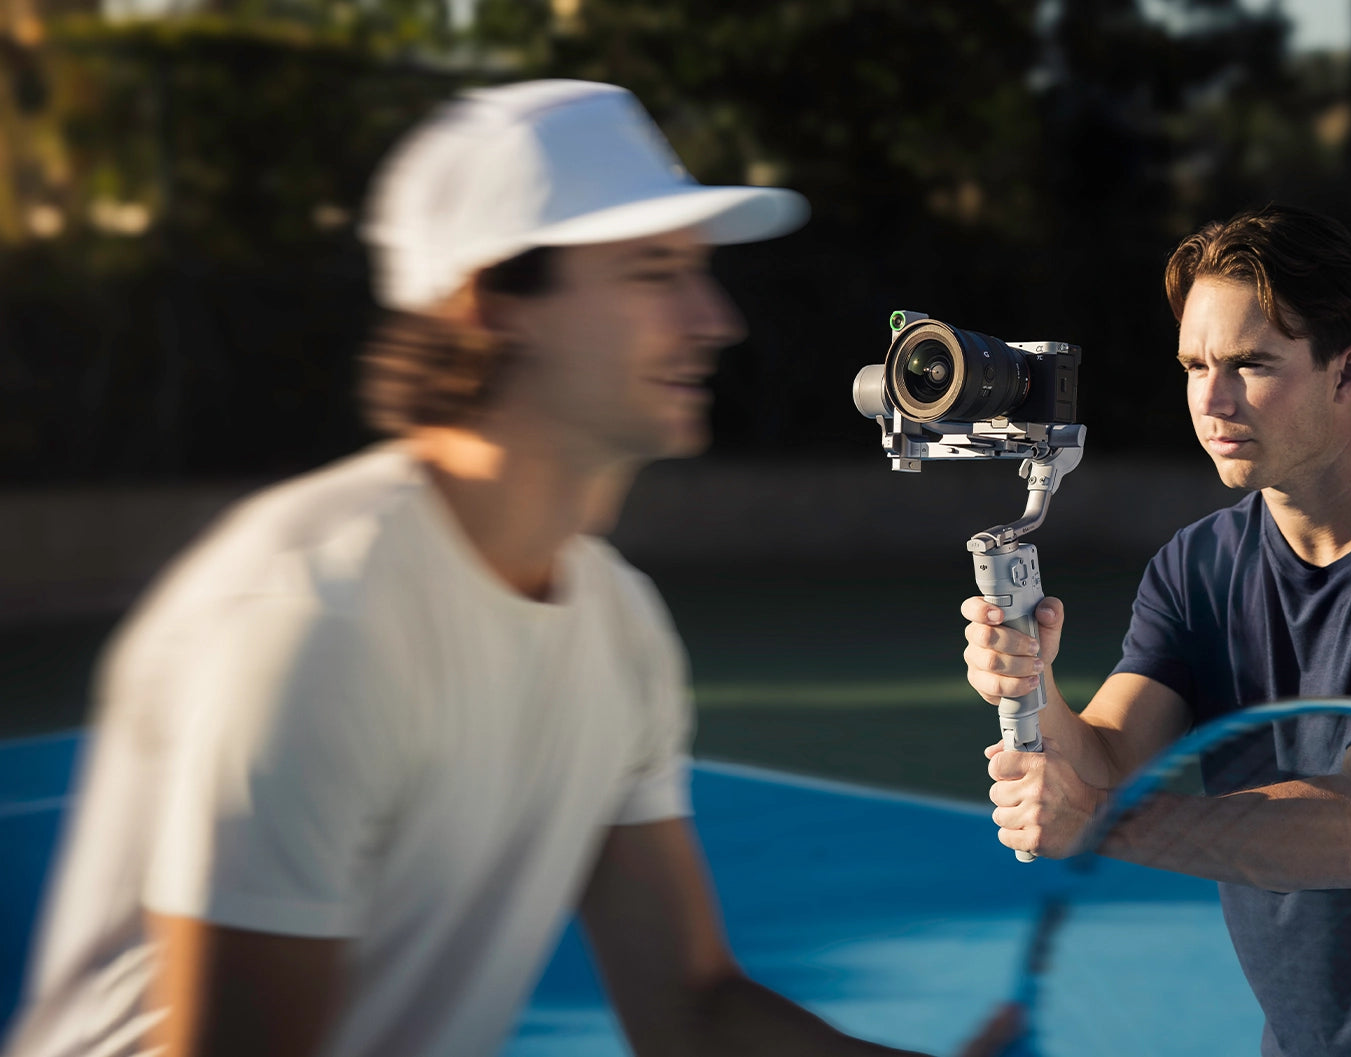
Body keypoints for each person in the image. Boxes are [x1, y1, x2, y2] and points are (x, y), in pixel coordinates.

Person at [4, 80, 1014, 1057]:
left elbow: (691, 1010)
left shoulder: (615, 621)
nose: (715, 318)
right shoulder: (317, 619)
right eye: (654, 271)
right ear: (494, 301)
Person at [961, 204, 1351, 1057]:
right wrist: (1034, 687)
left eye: (1251, 364)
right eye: (1194, 364)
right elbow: (1106, 757)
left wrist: (1097, 819)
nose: (1211, 400)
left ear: (1347, 372)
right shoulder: (1196, 565)